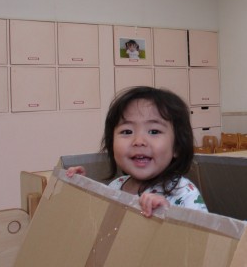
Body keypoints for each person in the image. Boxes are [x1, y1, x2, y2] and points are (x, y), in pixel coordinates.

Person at [66, 86, 207, 217]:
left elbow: (201, 235)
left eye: (154, 131)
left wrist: (167, 215)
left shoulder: (184, 193)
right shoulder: (116, 186)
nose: (139, 141)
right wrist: (82, 188)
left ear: (177, 146)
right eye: (127, 132)